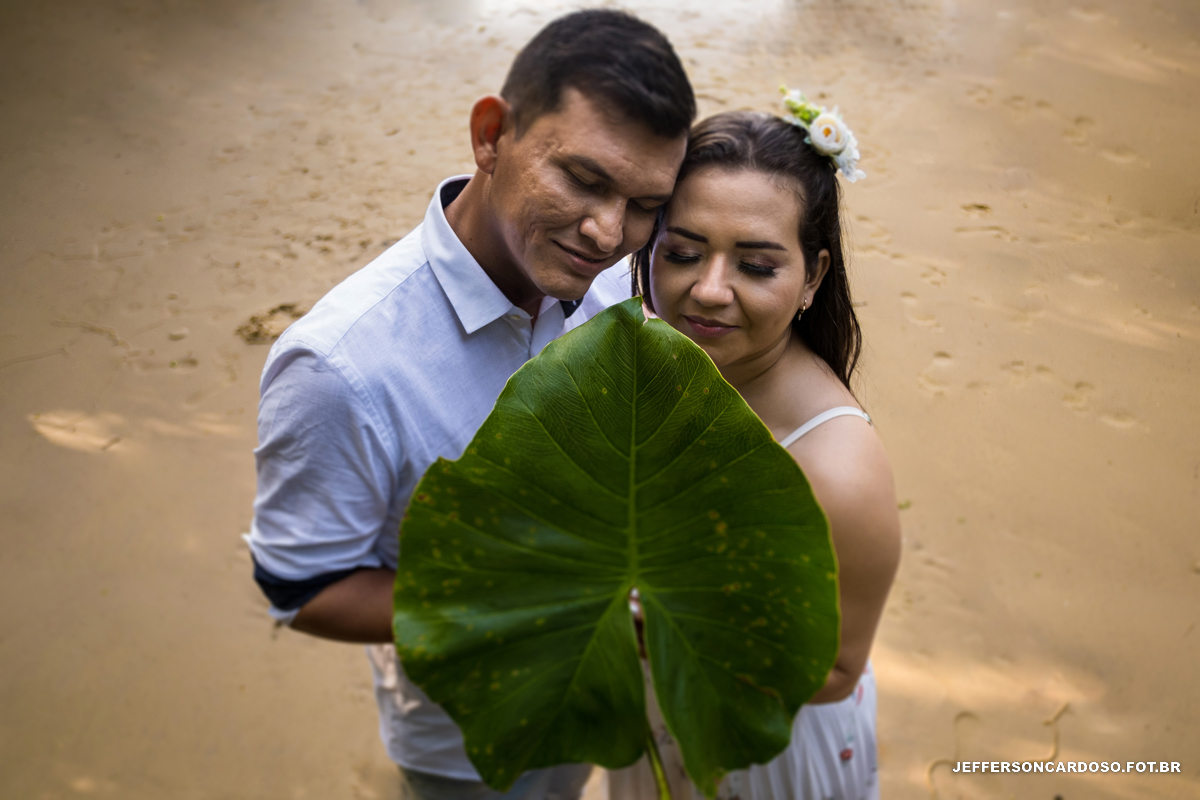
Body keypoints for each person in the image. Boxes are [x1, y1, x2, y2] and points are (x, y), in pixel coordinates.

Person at [245, 10, 694, 799]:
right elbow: (299, 587)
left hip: (599, 692)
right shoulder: (342, 366)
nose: (608, 232)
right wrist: (541, 593)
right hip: (464, 738)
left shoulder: (613, 278)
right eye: (583, 179)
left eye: (645, 203)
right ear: (491, 135)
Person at [613, 106, 901, 799]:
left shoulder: (834, 473)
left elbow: (835, 670)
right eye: (681, 252)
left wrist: (657, 622)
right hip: (656, 718)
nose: (709, 291)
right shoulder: (653, 362)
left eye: (756, 265)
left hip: (761, 759)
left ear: (811, 277)